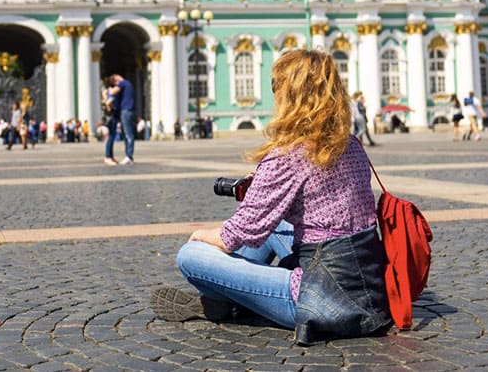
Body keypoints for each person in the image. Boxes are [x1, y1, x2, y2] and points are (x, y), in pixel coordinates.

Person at [150, 49, 392, 344]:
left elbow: (238, 233)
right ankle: (238, 294)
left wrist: (201, 235)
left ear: (290, 97)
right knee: (275, 225)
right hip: (366, 285)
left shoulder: (287, 156)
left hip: (318, 297)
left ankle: (231, 300)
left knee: (190, 257)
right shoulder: (352, 144)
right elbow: (318, 205)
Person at [107, 74, 136, 165]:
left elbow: (112, 93)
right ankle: (128, 155)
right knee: (127, 134)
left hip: (126, 110)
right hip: (129, 110)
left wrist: (108, 90)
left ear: (116, 81)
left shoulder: (123, 83)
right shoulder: (128, 83)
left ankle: (129, 156)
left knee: (128, 135)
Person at [102, 81, 120, 165]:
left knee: (111, 136)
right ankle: (108, 157)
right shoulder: (113, 95)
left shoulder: (107, 91)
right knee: (111, 137)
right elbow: (107, 103)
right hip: (112, 116)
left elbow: (104, 93)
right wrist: (108, 105)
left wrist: (105, 99)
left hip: (111, 115)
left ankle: (111, 157)